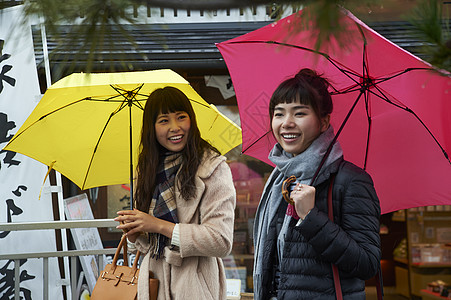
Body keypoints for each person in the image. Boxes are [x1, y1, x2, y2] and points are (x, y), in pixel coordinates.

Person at [253, 68, 381, 299]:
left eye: (299, 113)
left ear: (324, 122)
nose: (286, 123)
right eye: (279, 113)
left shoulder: (351, 181)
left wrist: (311, 217)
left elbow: (367, 264)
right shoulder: (278, 180)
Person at [115, 86, 236, 300]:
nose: (175, 127)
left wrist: (158, 225)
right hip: (153, 285)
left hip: (195, 285)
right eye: (164, 120)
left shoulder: (212, 168)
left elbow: (221, 240)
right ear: (152, 128)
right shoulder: (146, 170)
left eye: (181, 117)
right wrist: (135, 235)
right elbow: (147, 246)